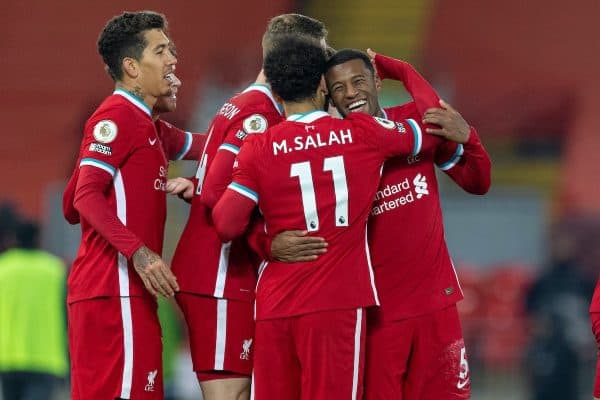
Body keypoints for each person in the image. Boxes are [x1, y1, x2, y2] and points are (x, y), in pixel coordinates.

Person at [211, 35, 440, 400]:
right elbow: (433, 123)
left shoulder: (259, 148)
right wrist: (402, 69)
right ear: (322, 84)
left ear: (277, 88)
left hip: (276, 305)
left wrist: (268, 244)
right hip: (337, 304)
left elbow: (225, 223)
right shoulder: (363, 134)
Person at [168, 14, 328, 400]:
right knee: (231, 395)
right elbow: (218, 194)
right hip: (220, 274)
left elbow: (215, 182)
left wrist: (195, 184)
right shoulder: (260, 115)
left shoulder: (241, 105)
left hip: (216, 273)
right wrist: (269, 242)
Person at [321, 49, 491, 399]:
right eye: (339, 88)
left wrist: (469, 138)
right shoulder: (334, 150)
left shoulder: (411, 120)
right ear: (329, 96)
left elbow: (479, 182)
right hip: (377, 317)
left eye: (358, 80)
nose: (350, 93)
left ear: (376, 81)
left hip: (437, 306)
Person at [66, 11, 180, 399]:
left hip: (119, 295)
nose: (172, 61)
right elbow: (83, 198)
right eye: (161, 50)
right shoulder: (117, 116)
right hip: (114, 290)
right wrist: (141, 254)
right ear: (132, 66)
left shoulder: (149, 126)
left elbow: (207, 145)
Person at [63, 70, 206, 224]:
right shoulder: (116, 121)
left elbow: (212, 145)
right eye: (166, 76)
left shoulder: (161, 131)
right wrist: (136, 248)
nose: (177, 82)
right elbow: (76, 205)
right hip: (117, 244)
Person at [0, 219, 68, 400]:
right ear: (38, 239)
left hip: (7, 356)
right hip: (45, 357)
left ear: (13, 240)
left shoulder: (3, 267)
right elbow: (68, 312)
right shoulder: (55, 269)